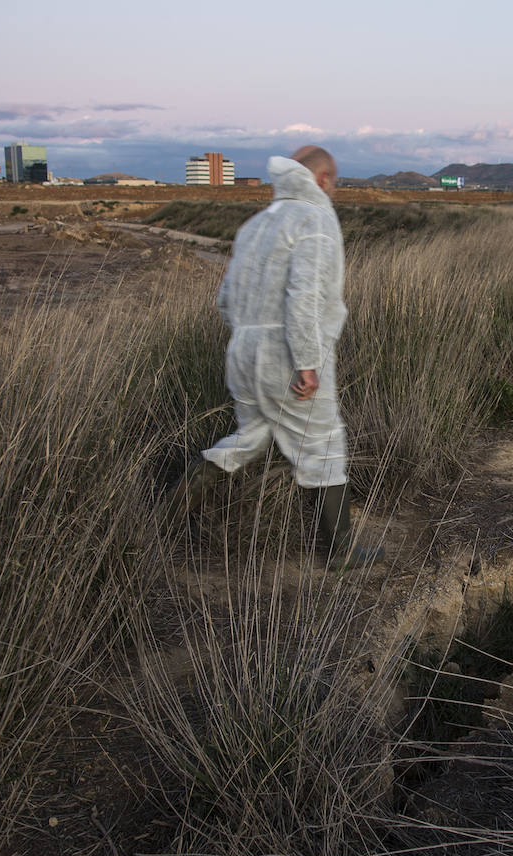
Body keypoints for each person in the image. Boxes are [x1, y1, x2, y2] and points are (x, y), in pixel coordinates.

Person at [173, 146, 382, 570]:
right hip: (287, 351)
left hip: (244, 350)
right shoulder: (316, 219)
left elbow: (226, 298)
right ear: (322, 180)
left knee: (250, 436)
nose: (335, 189)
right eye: (334, 181)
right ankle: (339, 552)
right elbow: (305, 297)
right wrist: (306, 361)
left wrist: (247, 338)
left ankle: (167, 516)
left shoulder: (257, 224)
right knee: (324, 445)